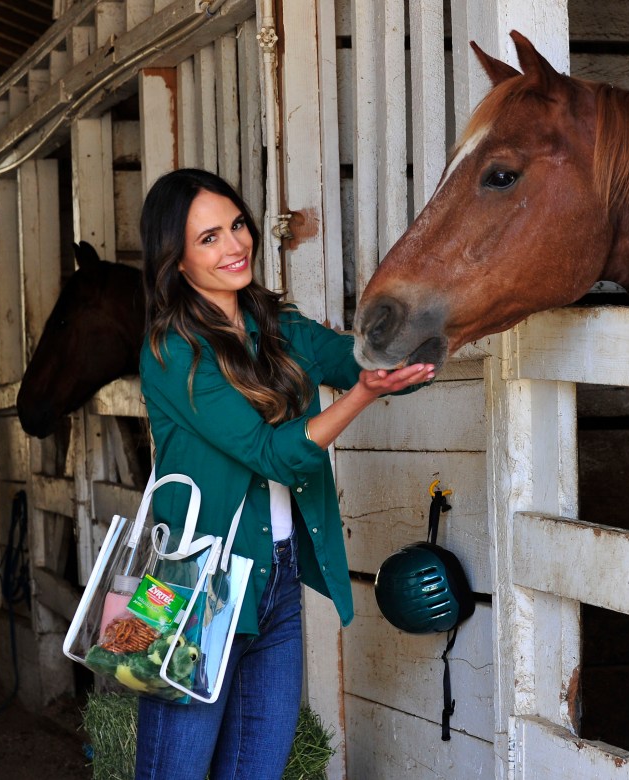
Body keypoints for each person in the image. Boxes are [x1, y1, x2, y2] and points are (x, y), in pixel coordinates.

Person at [135, 167, 434, 780]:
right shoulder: (172, 352)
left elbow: (354, 360)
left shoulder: (278, 327)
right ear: (179, 262)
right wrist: (364, 397)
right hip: (192, 587)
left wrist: (399, 357)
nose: (235, 245)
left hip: (276, 574)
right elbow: (272, 454)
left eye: (237, 225)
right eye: (209, 238)